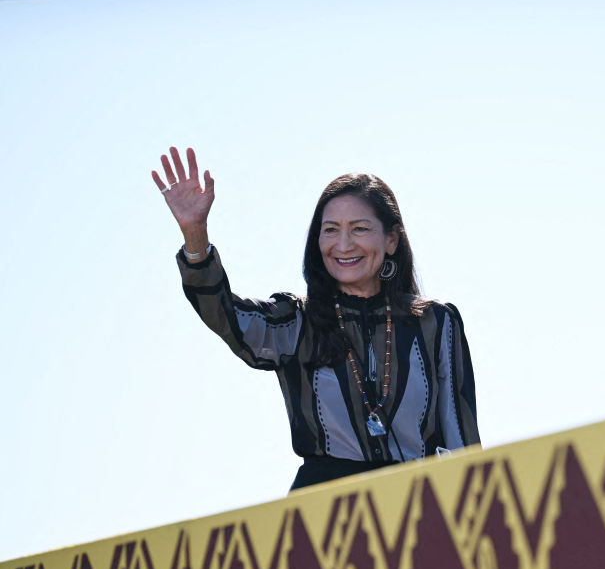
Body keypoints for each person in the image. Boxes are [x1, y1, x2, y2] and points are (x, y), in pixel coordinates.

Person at [152, 147, 480, 490]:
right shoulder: (296, 321)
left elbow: (462, 443)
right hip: (321, 514)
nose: (343, 244)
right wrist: (195, 235)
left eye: (359, 229)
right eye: (331, 230)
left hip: (417, 508)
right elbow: (226, 317)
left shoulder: (437, 323)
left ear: (392, 239)